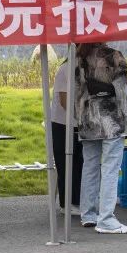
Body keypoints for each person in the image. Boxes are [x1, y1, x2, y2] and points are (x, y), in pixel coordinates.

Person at [75, 42, 127, 234]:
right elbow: (123, 90)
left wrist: (80, 118)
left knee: (90, 167)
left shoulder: (78, 57)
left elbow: (77, 92)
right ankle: (106, 219)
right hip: (111, 119)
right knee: (110, 168)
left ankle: (88, 214)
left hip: (87, 119)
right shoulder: (113, 56)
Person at [50, 57, 82, 213]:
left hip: (80, 124)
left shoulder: (86, 67)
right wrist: (84, 116)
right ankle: (66, 204)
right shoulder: (66, 69)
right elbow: (64, 101)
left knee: (79, 163)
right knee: (65, 164)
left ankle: (78, 201)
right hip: (62, 123)